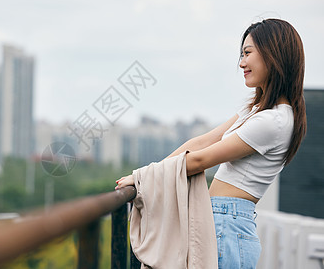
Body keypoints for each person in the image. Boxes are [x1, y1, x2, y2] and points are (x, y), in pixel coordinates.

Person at [114, 18, 306, 269]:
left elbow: (202, 160)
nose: (241, 63)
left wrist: (143, 179)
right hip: (219, 223)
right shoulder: (257, 111)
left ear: (274, 54)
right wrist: (147, 174)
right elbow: (202, 141)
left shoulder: (274, 120)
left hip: (227, 226)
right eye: (241, 54)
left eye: (248, 53)